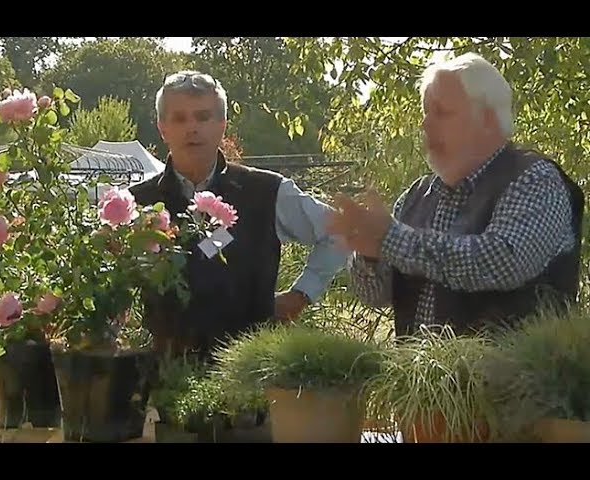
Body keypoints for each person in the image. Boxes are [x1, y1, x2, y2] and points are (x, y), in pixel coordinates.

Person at [327, 52, 585, 338]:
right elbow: (373, 296)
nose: (425, 123)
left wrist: (390, 239)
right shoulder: (416, 195)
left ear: (487, 119)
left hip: (509, 382)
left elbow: (502, 262)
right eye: (425, 111)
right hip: (418, 381)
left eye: (442, 112)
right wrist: (368, 254)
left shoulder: (535, 179)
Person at [129, 70, 349, 358]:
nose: (192, 128)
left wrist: (301, 294)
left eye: (203, 116)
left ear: (222, 125)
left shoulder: (266, 191)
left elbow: (340, 231)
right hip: (162, 374)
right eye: (180, 118)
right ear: (162, 128)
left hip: (248, 373)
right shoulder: (136, 202)